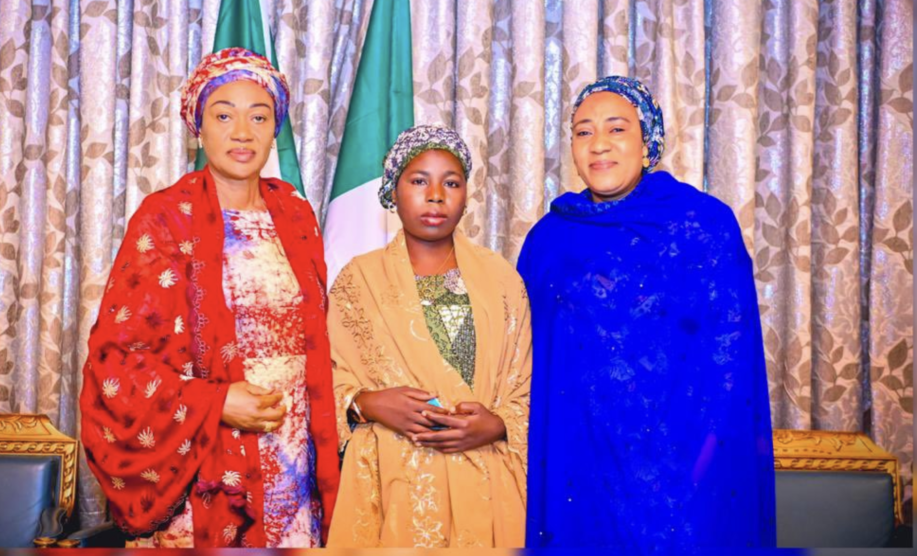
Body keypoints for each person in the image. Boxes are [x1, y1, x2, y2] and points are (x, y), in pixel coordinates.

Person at [79, 47, 340, 548]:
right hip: (204, 467)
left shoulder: (295, 213)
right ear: (198, 127)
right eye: (224, 115)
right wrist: (216, 403)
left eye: (258, 116)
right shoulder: (165, 218)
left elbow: (316, 343)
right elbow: (116, 361)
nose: (242, 132)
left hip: (294, 459)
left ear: (275, 129)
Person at [520, 75, 776, 551]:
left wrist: (699, 472)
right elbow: (523, 356)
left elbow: (732, 366)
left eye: (616, 129)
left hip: (682, 476)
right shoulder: (549, 239)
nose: (598, 144)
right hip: (579, 470)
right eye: (583, 131)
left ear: (647, 143)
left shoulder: (704, 226)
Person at [326, 125, 531, 548]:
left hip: (487, 482)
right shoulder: (358, 280)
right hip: (394, 482)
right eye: (419, 181)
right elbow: (324, 377)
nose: (435, 195)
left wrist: (497, 425)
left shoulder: (502, 280)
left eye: (451, 183)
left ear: (467, 195)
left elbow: (526, 384)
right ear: (393, 191)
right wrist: (367, 403)